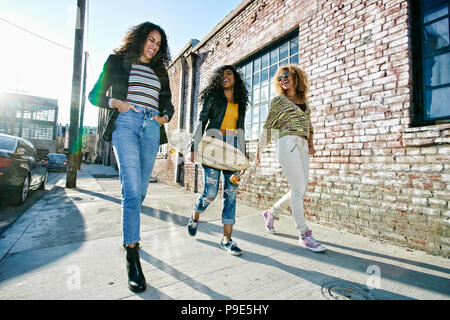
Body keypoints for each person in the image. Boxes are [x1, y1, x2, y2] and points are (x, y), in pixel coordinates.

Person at [88, 22, 174, 292]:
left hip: (151, 128)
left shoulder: (160, 72)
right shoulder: (117, 62)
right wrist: (117, 103)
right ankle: (132, 255)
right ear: (139, 39)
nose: (153, 46)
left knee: (141, 191)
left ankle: (129, 232)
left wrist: (164, 117)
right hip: (126, 123)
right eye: (150, 39)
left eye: (158, 44)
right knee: (132, 190)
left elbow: (168, 102)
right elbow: (94, 96)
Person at [255, 64, 325, 252]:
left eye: (286, 75)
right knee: (299, 188)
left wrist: (311, 144)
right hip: (287, 143)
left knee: (300, 189)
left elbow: (309, 125)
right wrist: (259, 149)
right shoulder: (279, 102)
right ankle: (304, 233)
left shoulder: (304, 101)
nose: (283, 79)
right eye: (279, 78)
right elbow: (269, 125)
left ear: (295, 77)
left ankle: (272, 212)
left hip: (302, 145)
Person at [187, 65, 248, 256]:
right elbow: (202, 120)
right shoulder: (213, 96)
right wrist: (194, 146)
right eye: (221, 75)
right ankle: (196, 214)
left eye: (229, 73)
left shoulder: (240, 102)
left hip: (233, 146)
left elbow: (241, 129)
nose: (225, 77)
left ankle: (227, 239)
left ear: (235, 78)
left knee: (231, 194)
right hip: (212, 145)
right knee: (211, 192)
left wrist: (243, 155)